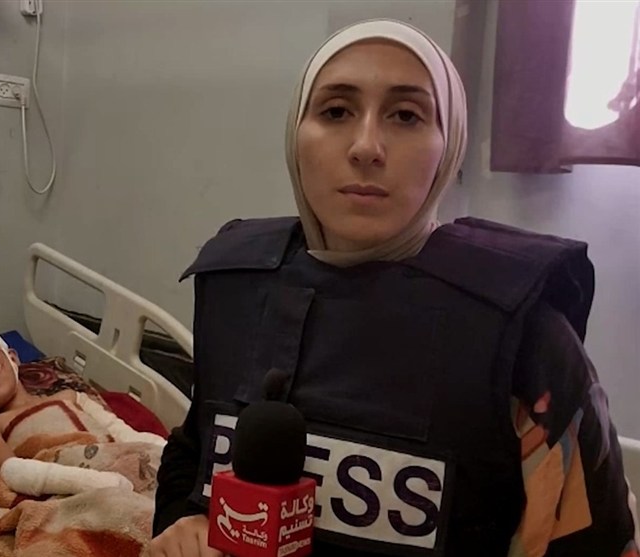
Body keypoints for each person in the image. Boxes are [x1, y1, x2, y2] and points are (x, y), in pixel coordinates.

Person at [150, 19, 639, 557]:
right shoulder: (234, 288)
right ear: (296, 133)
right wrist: (183, 523)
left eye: (406, 116)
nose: (366, 147)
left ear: (448, 145)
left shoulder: (526, 336)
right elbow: (193, 454)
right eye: (336, 111)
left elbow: (592, 540)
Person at [0, 322, 165, 497]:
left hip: (127, 463)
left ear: (12, 358)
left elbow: (124, 434)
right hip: (75, 488)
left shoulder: (70, 396)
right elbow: (12, 472)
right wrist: (91, 483)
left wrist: (167, 451)